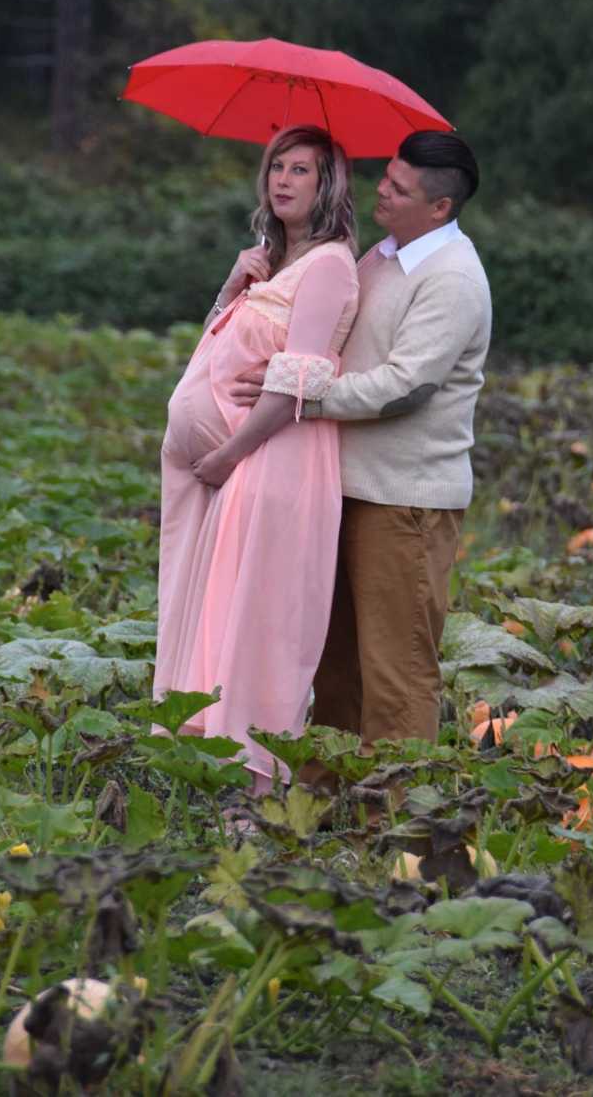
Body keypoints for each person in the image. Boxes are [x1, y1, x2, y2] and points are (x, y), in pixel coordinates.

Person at [232, 130, 491, 758]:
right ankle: (325, 804)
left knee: (396, 670)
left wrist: (299, 397)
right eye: (386, 175)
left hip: (403, 501)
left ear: (440, 208)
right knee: (334, 663)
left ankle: (398, 829)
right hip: (342, 486)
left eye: (399, 188)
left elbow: (406, 387)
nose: (381, 189)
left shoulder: (452, 278)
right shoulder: (382, 256)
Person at [153, 125, 359, 794]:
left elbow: (295, 382)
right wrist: (233, 283)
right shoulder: (271, 262)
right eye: (277, 166)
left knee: (262, 619)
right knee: (225, 609)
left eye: (302, 170)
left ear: (327, 186)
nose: (284, 180)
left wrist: (228, 454)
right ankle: (219, 779)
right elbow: (214, 348)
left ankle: (258, 790)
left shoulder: (328, 265)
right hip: (239, 464)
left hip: (275, 458)